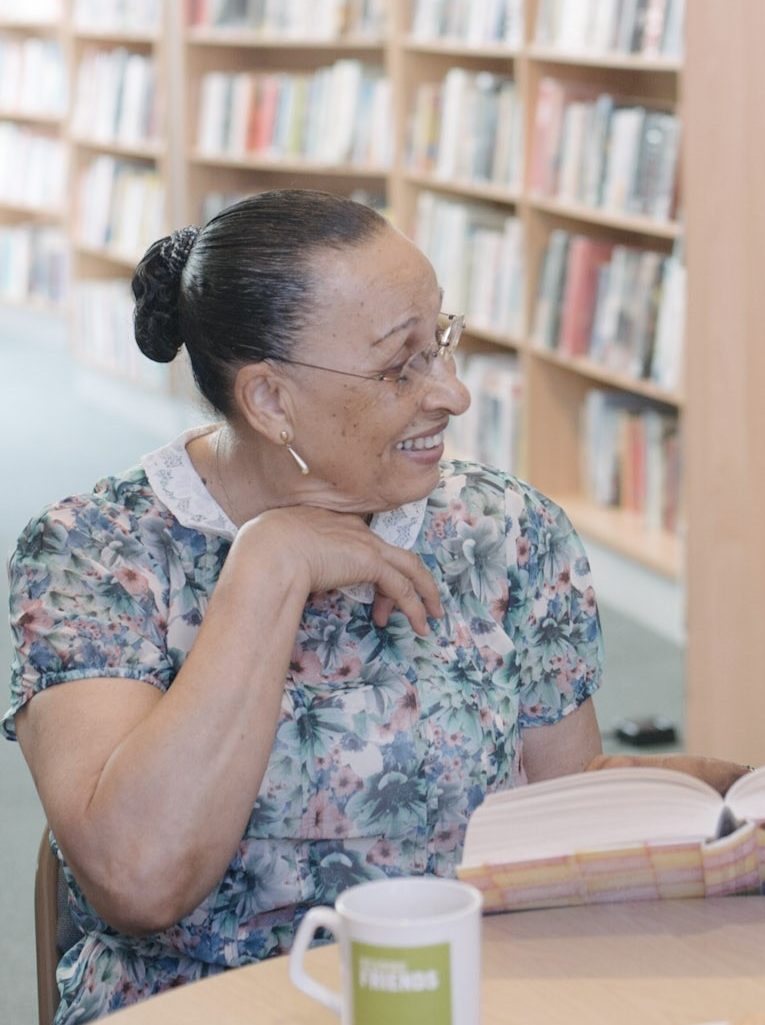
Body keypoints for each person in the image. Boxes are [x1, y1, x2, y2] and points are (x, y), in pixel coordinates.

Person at [6, 189, 609, 1024]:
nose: (453, 394)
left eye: (440, 343)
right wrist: (269, 566)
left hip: (457, 1000)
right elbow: (140, 879)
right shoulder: (93, 555)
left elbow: (570, 831)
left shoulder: (506, 531)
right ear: (270, 402)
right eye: (402, 365)